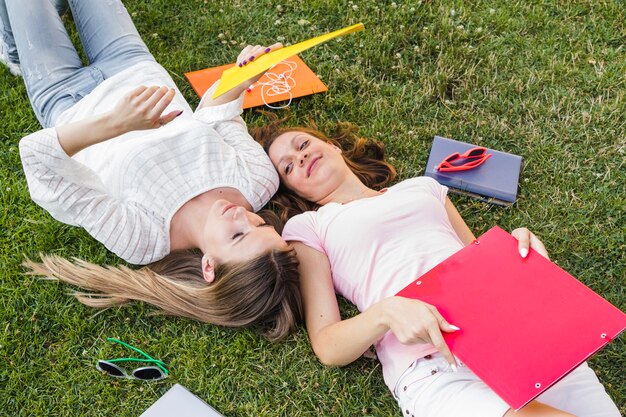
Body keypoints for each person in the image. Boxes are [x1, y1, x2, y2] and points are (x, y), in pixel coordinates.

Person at [254, 119, 621, 417]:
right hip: (431, 364)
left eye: (302, 145)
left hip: (514, 336)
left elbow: (478, 260)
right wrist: (386, 313)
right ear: (295, 190)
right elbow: (329, 345)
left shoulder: (424, 188)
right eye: (288, 166)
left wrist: (521, 255)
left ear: (332, 145)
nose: (300, 158)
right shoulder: (311, 227)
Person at [3, 0, 302, 340]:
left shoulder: (143, 240)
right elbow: (216, 114)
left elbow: (38, 158)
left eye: (237, 236)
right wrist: (242, 76)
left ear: (209, 265)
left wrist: (118, 123)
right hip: (132, 63)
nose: (243, 217)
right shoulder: (258, 181)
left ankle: (15, 49)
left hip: (66, 101)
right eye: (260, 224)